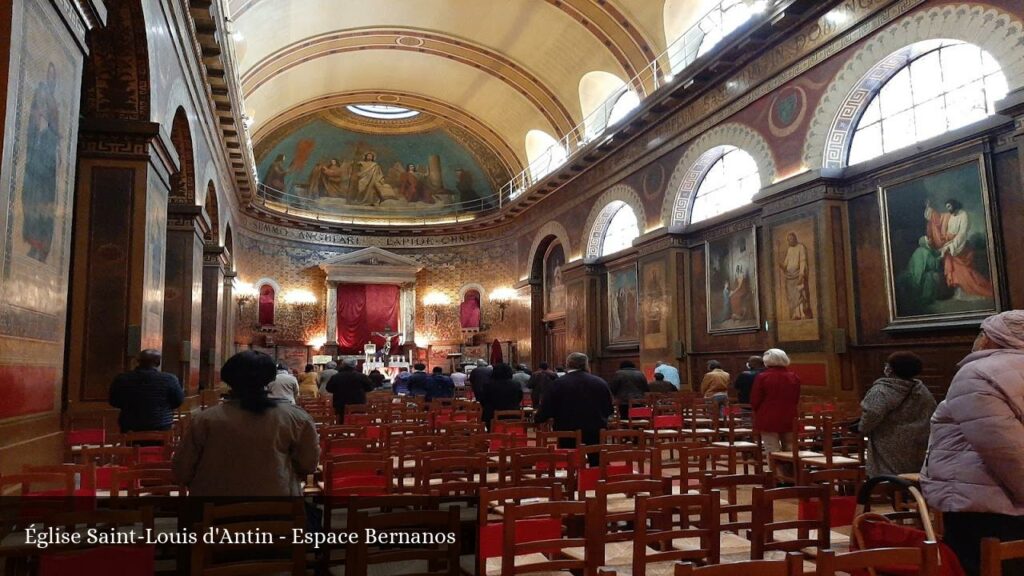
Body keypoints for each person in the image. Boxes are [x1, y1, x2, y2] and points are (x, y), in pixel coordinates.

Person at [921, 310, 1024, 576]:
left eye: (982, 333)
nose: (978, 340)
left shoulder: (977, 374)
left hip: (986, 508)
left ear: (995, 338)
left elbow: (1005, 451)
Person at [172, 351, 319, 497]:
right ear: (270, 379)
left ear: (228, 379)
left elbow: (182, 470)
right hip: (276, 506)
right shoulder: (296, 418)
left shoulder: (204, 419)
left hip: (213, 510)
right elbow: (308, 465)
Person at [858, 352, 936, 478]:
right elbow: (932, 412)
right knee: (911, 479)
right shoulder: (922, 390)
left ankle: (891, 496)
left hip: (888, 443)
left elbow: (872, 413)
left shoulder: (882, 390)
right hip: (918, 442)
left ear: (890, 369)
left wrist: (862, 428)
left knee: (889, 478)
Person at [535, 352, 613, 466]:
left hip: (567, 430)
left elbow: (547, 408)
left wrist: (538, 419)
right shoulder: (600, 382)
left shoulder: (558, 384)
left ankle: (572, 482)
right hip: (595, 430)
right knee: (597, 463)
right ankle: (596, 482)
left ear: (568, 365)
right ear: (586, 365)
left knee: (569, 463)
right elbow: (608, 409)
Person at [924, 198, 994, 301]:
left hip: (960, 248)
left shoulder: (963, 215)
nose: (948, 209)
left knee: (963, 272)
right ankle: (959, 292)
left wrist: (950, 246)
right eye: (947, 207)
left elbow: (962, 234)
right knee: (954, 273)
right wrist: (929, 209)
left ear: (954, 205)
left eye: (949, 206)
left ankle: (972, 290)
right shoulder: (949, 216)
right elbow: (937, 220)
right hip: (949, 246)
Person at [108, 349, 184, 433]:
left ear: (138, 361)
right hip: (161, 425)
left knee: (130, 445)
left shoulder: (122, 379)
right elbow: (178, 401)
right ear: (158, 362)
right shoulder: (170, 379)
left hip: (130, 426)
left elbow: (113, 401)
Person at [750, 348, 801, 454]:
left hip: (767, 416)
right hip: (789, 416)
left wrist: (757, 411)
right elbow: (796, 398)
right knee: (790, 449)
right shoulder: (794, 377)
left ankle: (775, 470)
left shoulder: (763, 377)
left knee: (772, 449)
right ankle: (790, 470)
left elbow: (755, 399)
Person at [325, 358, 374, 424]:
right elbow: (370, 388)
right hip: (358, 403)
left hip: (340, 403)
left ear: (343, 365)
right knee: (358, 423)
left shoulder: (336, 377)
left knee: (341, 423)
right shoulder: (362, 376)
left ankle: (340, 433)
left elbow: (329, 388)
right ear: (354, 366)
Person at [477, 363, 522, 430]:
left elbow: (482, 400)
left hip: (491, 416)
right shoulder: (516, 384)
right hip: (512, 415)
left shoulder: (488, 385)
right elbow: (519, 398)